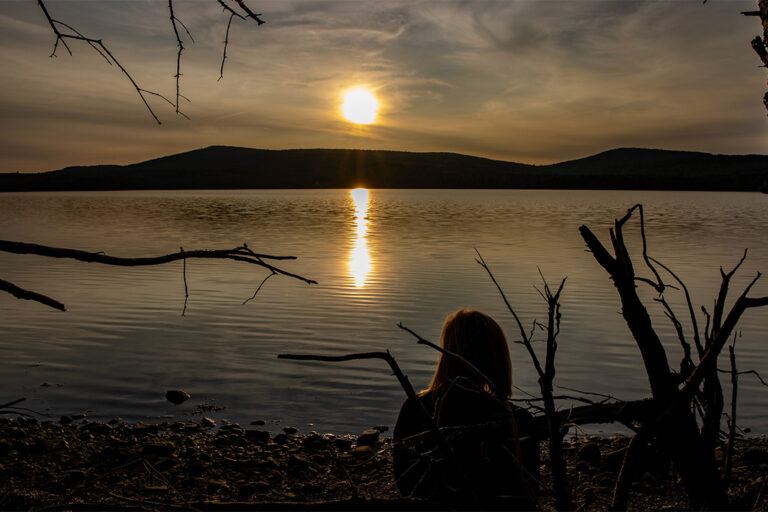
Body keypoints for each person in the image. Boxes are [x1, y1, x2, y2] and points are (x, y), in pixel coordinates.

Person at [393, 309, 539, 508]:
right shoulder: (517, 419)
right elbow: (528, 492)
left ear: (447, 352)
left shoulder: (415, 408)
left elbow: (403, 481)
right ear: (497, 356)